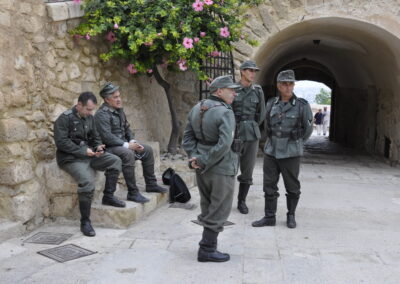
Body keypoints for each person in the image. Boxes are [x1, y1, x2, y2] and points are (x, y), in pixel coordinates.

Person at [182, 75, 240, 262]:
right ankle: (207, 249)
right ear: (219, 91)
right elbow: (224, 144)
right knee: (220, 208)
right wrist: (204, 160)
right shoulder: (225, 112)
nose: (234, 93)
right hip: (221, 167)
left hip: (201, 166)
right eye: (230, 90)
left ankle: (207, 246)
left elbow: (187, 138)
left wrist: (195, 158)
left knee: (207, 205)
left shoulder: (197, 108)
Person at [54, 92, 124, 237]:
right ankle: (85, 221)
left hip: (89, 154)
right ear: (79, 105)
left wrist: (98, 147)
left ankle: (108, 196)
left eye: (92, 109)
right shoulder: (64, 119)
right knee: (87, 181)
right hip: (70, 158)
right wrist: (82, 151)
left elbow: (96, 137)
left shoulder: (90, 118)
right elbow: (62, 143)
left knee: (115, 161)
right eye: (88, 109)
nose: (90, 112)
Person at [252, 70, 313, 229]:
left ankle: (291, 215)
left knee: (292, 186)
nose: (288, 87)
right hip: (272, 151)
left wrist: (296, 143)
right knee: (269, 185)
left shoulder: (302, 105)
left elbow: (308, 129)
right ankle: (269, 216)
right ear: (278, 86)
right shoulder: (271, 103)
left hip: (291, 152)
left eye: (291, 84)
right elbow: (267, 126)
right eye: (284, 84)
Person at [95, 82, 167, 205]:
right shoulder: (102, 114)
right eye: (115, 97)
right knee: (127, 153)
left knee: (147, 150)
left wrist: (133, 141)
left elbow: (127, 128)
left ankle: (151, 184)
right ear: (107, 99)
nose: (119, 99)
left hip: (122, 145)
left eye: (119, 96)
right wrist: (127, 145)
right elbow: (106, 137)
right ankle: (133, 193)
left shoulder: (119, 111)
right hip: (109, 148)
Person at [232, 60, 266, 214]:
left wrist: (251, 125)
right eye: (250, 70)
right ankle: (223, 200)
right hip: (234, 132)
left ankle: (242, 201)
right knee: (229, 168)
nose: (253, 74)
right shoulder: (233, 89)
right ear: (242, 71)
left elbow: (261, 113)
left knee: (248, 171)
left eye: (254, 71)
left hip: (251, 134)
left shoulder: (258, 91)